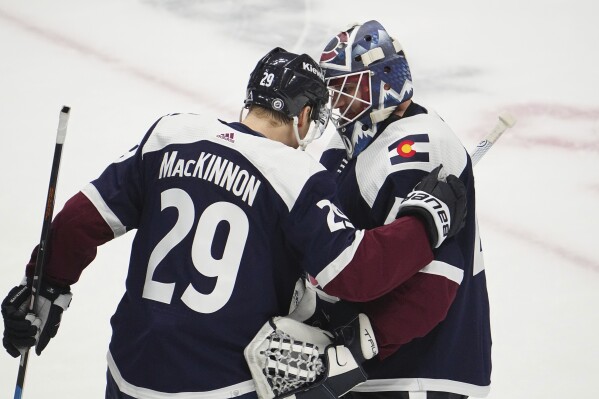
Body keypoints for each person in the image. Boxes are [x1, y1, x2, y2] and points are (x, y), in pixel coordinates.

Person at [1, 47, 467, 399]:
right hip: (222, 385)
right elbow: (359, 273)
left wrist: (44, 288)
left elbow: (79, 221)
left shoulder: (171, 133)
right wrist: (426, 219)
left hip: (130, 373)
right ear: (303, 116)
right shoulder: (297, 175)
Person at [313, 20, 492, 398]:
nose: (338, 104)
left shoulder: (420, 147)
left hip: (419, 374)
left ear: (386, 80)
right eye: (335, 93)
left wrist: (357, 346)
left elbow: (433, 284)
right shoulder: (343, 146)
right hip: (367, 373)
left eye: (350, 90)